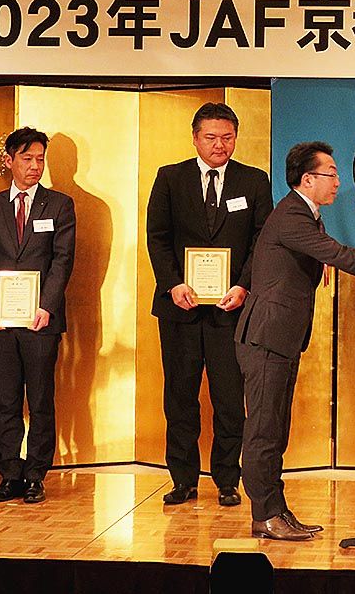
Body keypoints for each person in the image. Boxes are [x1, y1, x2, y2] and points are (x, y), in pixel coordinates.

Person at [236, 141, 355, 541]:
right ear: (307, 179)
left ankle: (276, 509)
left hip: (282, 337)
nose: (338, 182)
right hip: (267, 336)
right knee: (263, 430)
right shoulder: (292, 215)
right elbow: (339, 255)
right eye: (331, 174)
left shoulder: (307, 215)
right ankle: (264, 514)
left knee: (276, 429)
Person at [147, 102, 273, 507]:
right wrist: (172, 284)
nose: (220, 145)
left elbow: (261, 241)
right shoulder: (170, 178)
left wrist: (244, 286)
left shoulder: (254, 181)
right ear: (195, 137)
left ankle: (227, 479)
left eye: (227, 137)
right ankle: (183, 479)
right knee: (179, 397)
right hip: (180, 309)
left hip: (230, 309)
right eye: (211, 137)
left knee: (229, 398)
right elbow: (157, 237)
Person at [0, 127, 76, 505]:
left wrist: (46, 305)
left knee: (41, 398)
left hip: (39, 321)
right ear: (9, 161)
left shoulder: (59, 205)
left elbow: (62, 261)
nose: (35, 166)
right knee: (6, 399)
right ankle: (9, 474)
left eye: (40, 159)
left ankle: (35, 475)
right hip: (0, 320)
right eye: (27, 158)